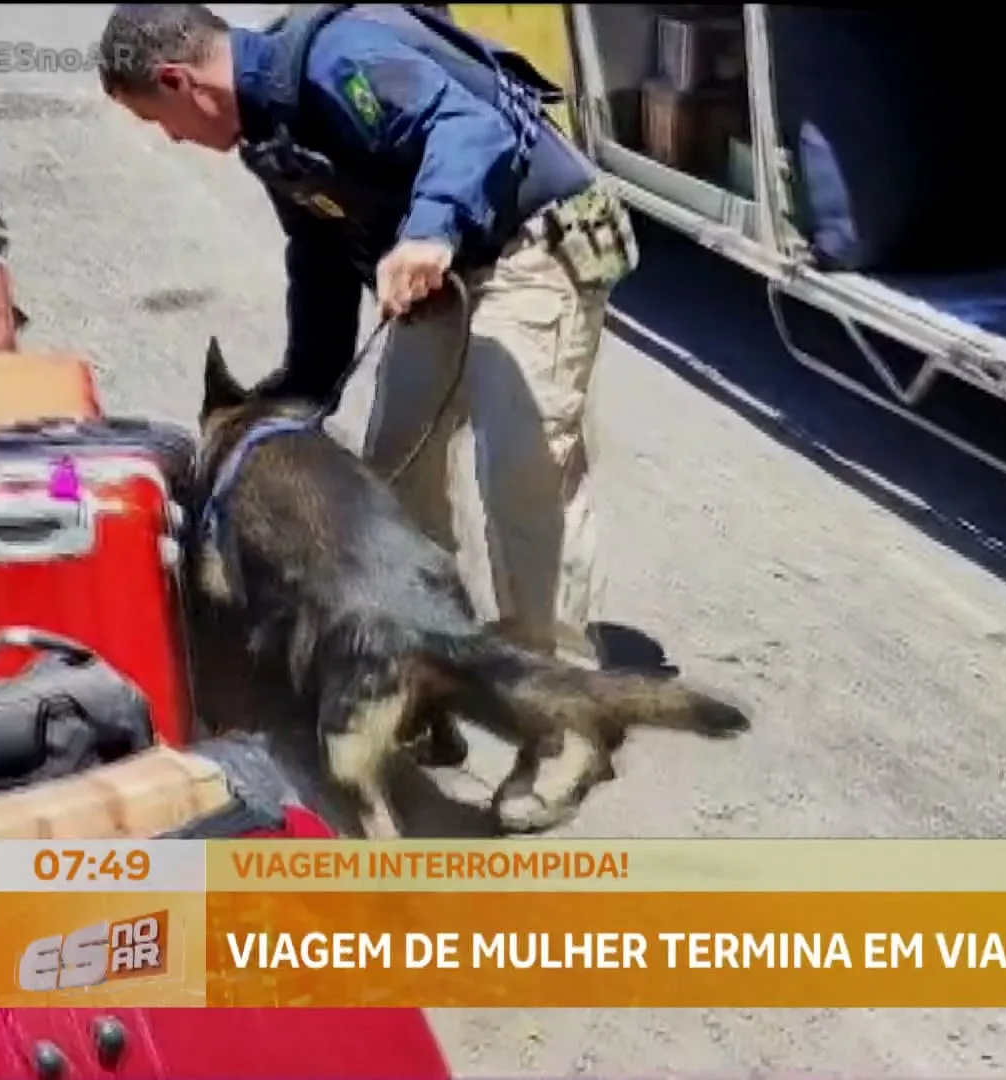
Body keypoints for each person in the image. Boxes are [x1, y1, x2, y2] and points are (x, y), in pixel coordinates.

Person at [96, 3, 636, 667]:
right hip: (442, 268)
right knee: (393, 468)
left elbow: (470, 126)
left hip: (533, 242)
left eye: (157, 119)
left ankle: (556, 693)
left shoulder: (336, 60)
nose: (171, 138)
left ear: (179, 81)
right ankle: (429, 654)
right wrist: (303, 391)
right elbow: (319, 257)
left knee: (520, 466)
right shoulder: (270, 131)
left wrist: (427, 232)